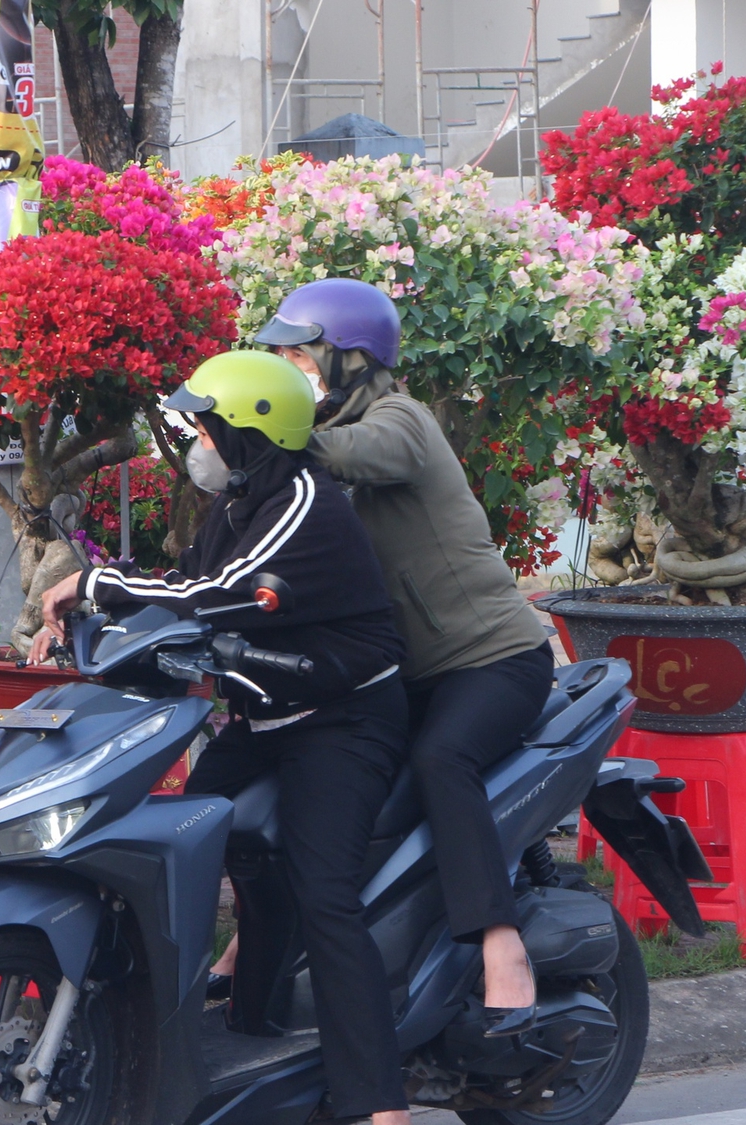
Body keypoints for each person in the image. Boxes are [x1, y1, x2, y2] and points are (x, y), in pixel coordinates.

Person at [32, 351, 415, 1125]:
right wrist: (96, 621)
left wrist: (92, 582)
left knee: (326, 895)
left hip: (340, 722)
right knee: (171, 850)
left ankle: (381, 1105)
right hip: (260, 718)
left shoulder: (306, 501)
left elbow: (216, 595)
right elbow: (180, 585)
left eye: (205, 428)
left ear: (248, 434)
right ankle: (226, 1018)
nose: (197, 443)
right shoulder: (240, 504)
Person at [236, 276, 553, 1035]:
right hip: (400, 677)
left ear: (347, 358)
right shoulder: (307, 461)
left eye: (297, 351)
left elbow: (353, 453)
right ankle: (265, 945)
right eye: (278, 353)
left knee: (445, 760)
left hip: (494, 661)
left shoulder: (400, 421)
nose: (286, 364)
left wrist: (270, 433)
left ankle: (500, 943)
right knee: (311, 779)